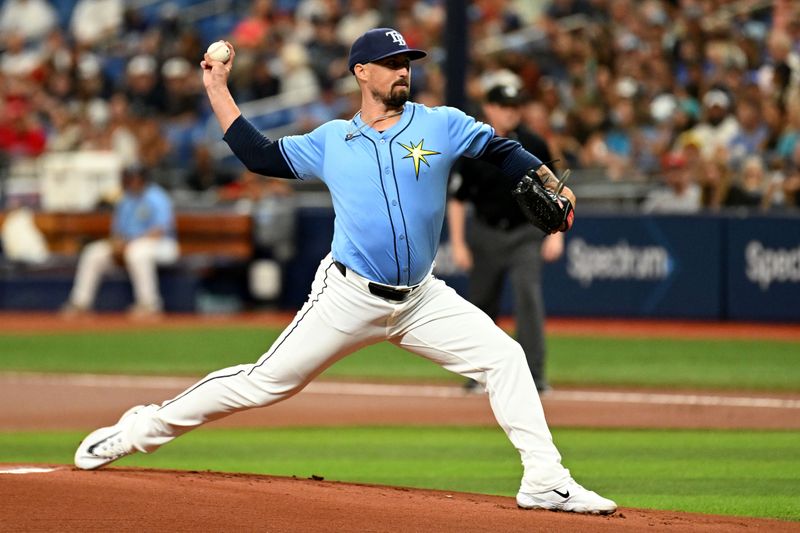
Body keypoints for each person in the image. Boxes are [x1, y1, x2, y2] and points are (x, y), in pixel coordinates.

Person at [74, 28, 616, 515]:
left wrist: (553, 182)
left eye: (408, 61)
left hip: (420, 299)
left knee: (505, 357)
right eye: (392, 61)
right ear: (363, 72)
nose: (404, 69)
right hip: (348, 296)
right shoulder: (332, 140)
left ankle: (546, 481)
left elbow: (503, 150)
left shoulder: (440, 123)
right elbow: (259, 157)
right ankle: (139, 429)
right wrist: (217, 87)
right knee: (263, 384)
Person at [448, 84, 563, 394]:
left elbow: (555, 192)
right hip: (485, 233)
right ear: (490, 107)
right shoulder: (473, 145)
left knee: (529, 298)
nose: (511, 110)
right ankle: (480, 376)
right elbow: (458, 198)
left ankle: (534, 376)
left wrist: (557, 235)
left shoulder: (534, 142)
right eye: (504, 105)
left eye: (515, 105)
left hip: (526, 234)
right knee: (482, 306)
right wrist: (458, 243)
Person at [62, 164, 179, 317]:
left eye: (134, 177)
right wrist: (117, 244)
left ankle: (149, 304)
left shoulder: (157, 196)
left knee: (137, 252)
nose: (130, 181)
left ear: (142, 178)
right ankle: (80, 303)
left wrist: (129, 243)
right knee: (94, 253)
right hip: (130, 245)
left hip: (162, 245)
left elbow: (160, 230)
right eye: (128, 178)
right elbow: (117, 232)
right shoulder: (125, 199)